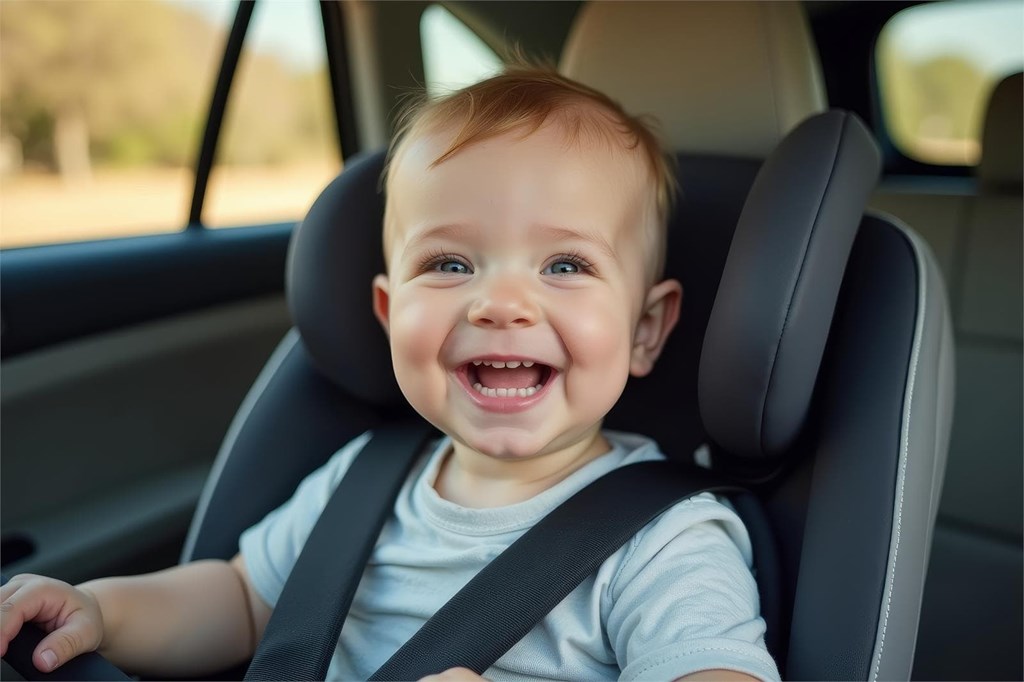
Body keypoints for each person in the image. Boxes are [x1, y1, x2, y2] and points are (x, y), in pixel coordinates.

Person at [0, 66, 780, 682]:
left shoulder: (661, 540)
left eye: (565, 264)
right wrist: (99, 611)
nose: (501, 302)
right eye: (449, 263)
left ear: (646, 330)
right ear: (387, 309)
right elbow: (240, 601)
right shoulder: (362, 479)